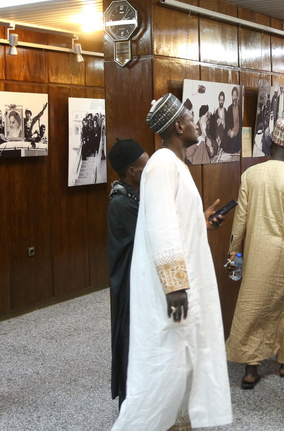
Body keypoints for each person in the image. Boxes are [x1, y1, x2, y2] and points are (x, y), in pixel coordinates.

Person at [112, 94, 232, 431]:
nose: (196, 123)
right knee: (166, 366)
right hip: (174, 287)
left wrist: (201, 221)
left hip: (185, 281)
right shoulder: (163, 164)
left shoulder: (175, 164)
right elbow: (161, 227)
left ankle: (178, 422)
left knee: (184, 358)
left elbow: (174, 219)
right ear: (178, 126)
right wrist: (175, 286)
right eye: (190, 118)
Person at [225, 119, 284, 389]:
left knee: (252, 307)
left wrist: (233, 252)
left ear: (270, 144)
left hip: (256, 253)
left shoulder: (250, 175)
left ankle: (251, 370)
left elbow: (240, 219)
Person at [107, 138, 149, 410]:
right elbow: (149, 236)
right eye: (146, 166)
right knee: (132, 342)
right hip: (131, 285)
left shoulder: (135, 195)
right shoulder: (122, 204)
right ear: (132, 171)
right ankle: (131, 406)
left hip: (142, 281)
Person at [221, 86, 241, 154]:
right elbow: (227, 122)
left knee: (233, 147)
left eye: (235, 95)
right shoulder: (229, 108)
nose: (234, 97)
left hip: (236, 132)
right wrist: (230, 131)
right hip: (230, 131)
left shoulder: (240, 108)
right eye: (233, 95)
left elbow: (238, 123)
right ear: (231, 96)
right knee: (224, 144)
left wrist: (233, 132)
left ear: (237, 96)